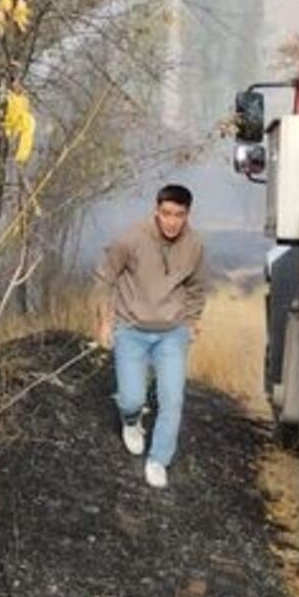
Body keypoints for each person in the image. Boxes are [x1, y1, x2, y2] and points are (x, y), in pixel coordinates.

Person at [93, 183, 205, 490]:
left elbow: (196, 287)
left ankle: (158, 460)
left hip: (172, 333)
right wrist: (105, 322)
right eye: (166, 213)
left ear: (187, 215)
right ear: (156, 210)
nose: (172, 221)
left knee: (172, 399)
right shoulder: (130, 239)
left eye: (178, 215)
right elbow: (105, 279)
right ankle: (131, 421)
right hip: (131, 329)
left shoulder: (194, 244)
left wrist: (193, 320)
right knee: (132, 398)